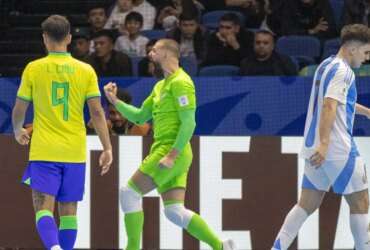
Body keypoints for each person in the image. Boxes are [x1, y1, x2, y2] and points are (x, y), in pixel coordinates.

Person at [104, 39, 236, 250]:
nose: (149, 55)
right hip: (169, 152)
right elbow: (139, 117)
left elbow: (189, 122)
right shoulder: (159, 86)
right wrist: (115, 102)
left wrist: (172, 155)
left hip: (171, 150)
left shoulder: (181, 82)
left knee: (128, 193)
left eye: (154, 51)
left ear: (166, 53)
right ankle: (221, 246)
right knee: (174, 211)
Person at [11, 15, 112, 250]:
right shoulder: (86, 70)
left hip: (44, 150)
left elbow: (19, 108)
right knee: (69, 213)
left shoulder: (34, 69)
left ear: (44, 38)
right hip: (74, 151)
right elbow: (97, 112)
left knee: (43, 208)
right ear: (68, 38)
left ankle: (54, 248)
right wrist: (107, 147)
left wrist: (18, 130)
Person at [271, 24, 370, 250]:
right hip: (337, 149)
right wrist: (326, 145)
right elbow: (328, 105)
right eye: (366, 52)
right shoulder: (344, 71)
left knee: (306, 204)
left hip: (314, 148)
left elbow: (338, 101)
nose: (366, 58)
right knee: (361, 203)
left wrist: (366, 112)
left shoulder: (325, 65)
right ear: (353, 49)